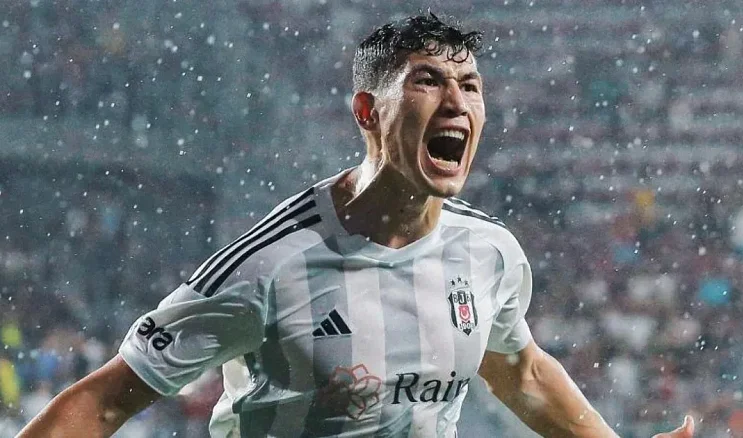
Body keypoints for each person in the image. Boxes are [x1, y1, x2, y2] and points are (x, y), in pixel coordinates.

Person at [20, 13, 695, 438]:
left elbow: (519, 372)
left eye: (471, 86)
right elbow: (103, 403)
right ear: (368, 112)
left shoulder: (489, 253)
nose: (457, 102)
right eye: (429, 81)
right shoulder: (270, 264)